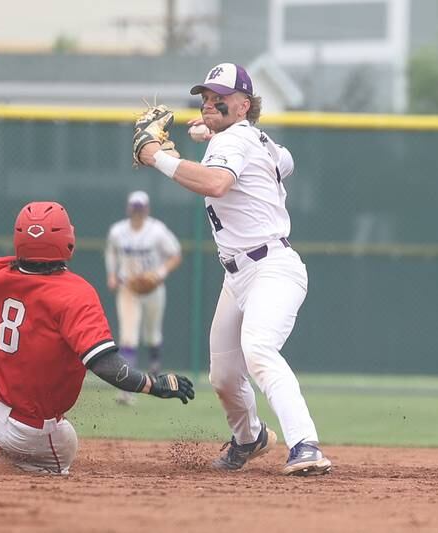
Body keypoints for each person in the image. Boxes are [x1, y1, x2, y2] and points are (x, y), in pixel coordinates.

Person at [0, 194, 194, 474]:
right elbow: (105, 365)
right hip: (28, 428)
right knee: (64, 448)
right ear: (67, 239)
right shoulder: (75, 293)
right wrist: (155, 384)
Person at [136, 63, 332, 476]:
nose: (210, 103)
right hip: (238, 274)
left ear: (244, 104)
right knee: (224, 375)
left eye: (220, 98)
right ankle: (249, 438)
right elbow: (287, 161)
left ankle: (305, 444)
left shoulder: (239, 138)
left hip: (272, 268)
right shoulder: (253, 139)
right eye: (206, 98)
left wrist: (156, 157)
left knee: (258, 349)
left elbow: (216, 185)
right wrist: (216, 134)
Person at [104, 191, 182, 404]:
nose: (137, 212)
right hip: (128, 287)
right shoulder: (118, 231)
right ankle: (126, 390)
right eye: (134, 208)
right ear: (129, 209)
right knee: (128, 337)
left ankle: (155, 375)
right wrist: (112, 274)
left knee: (152, 334)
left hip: (152, 289)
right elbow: (111, 252)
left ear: (146, 209)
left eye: (141, 208)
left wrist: (159, 273)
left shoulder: (157, 231)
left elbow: (175, 254)